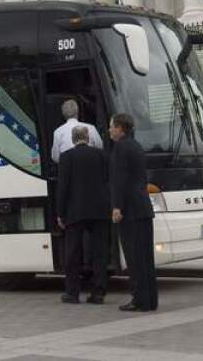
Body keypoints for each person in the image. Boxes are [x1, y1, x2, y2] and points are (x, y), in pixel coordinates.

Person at [109, 112, 156, 312]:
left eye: (111, 126)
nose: (109, 130)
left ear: (120, 128)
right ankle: (150, 299)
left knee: (134, 257)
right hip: (143, 206)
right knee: (146, 257)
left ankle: (138, 299)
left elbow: (119, 179)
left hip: (130, 209)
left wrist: (117, 206)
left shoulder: (120, 147)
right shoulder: (136, 145)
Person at [57, 125, 109, 304]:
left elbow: (62, 188)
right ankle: (98, 292)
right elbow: (108, 181)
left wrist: (60, 213)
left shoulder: (66, 157)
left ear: (73, 139)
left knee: (72, 253)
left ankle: (72, 292)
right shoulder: (102, 155)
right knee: (99, 253)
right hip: (100, 210)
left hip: (75, 211)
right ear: (88, 138)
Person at [51, 99, 102, 164]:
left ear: (63, 114)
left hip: (69, 168)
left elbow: (55, 157)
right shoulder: (91, 128)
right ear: (78, 111)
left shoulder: (57, 132)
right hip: (90, 165)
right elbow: (100, 148)